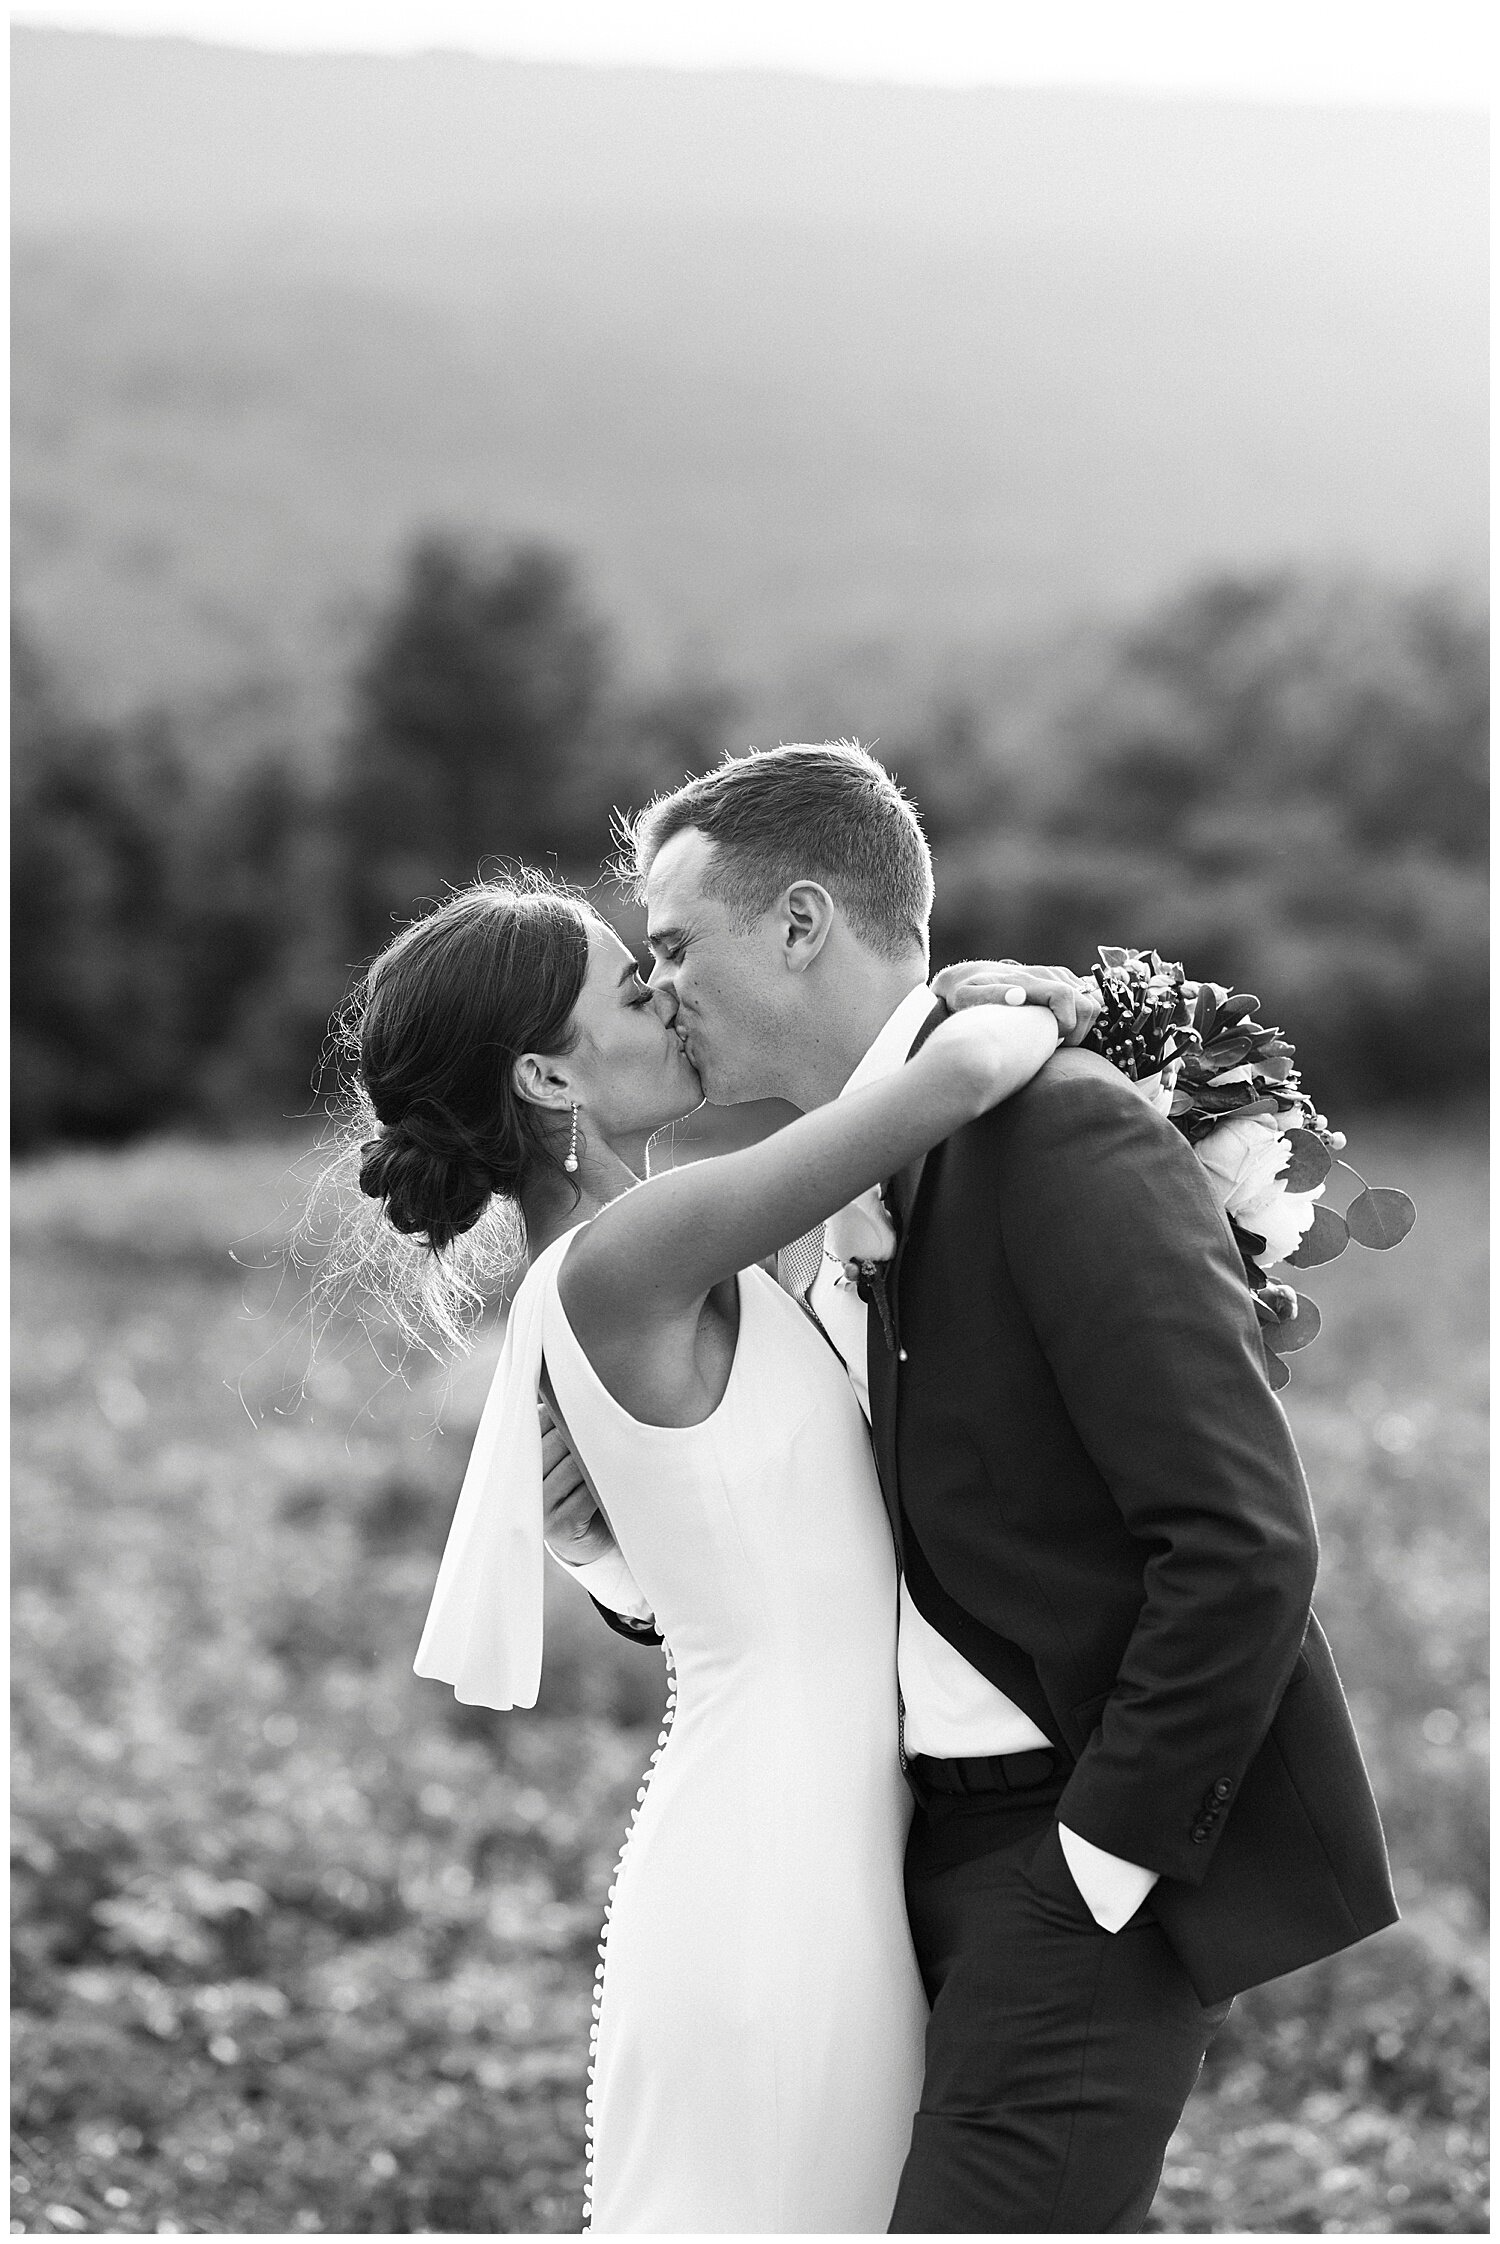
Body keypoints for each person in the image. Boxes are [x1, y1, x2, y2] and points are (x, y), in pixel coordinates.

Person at [555, 740, 1400, 2234]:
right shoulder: (849, 1182)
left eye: (675, 945)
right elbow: (854, 1531)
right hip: (892, 1860)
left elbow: (1242, 1541)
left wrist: (1096, 1866)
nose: (662, 984)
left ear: (802, 922)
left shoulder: (1056, 1129)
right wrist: (635, 1563)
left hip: (1064, 1857)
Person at [348, 873, 1074, 2232]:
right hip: (775, 1870)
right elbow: (966, 1072)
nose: (669, 993)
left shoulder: (664, 1244)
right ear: (547, 1078)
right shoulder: (636, 1249)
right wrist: (1038, 1000)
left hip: (831, 1840)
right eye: (633, 985)